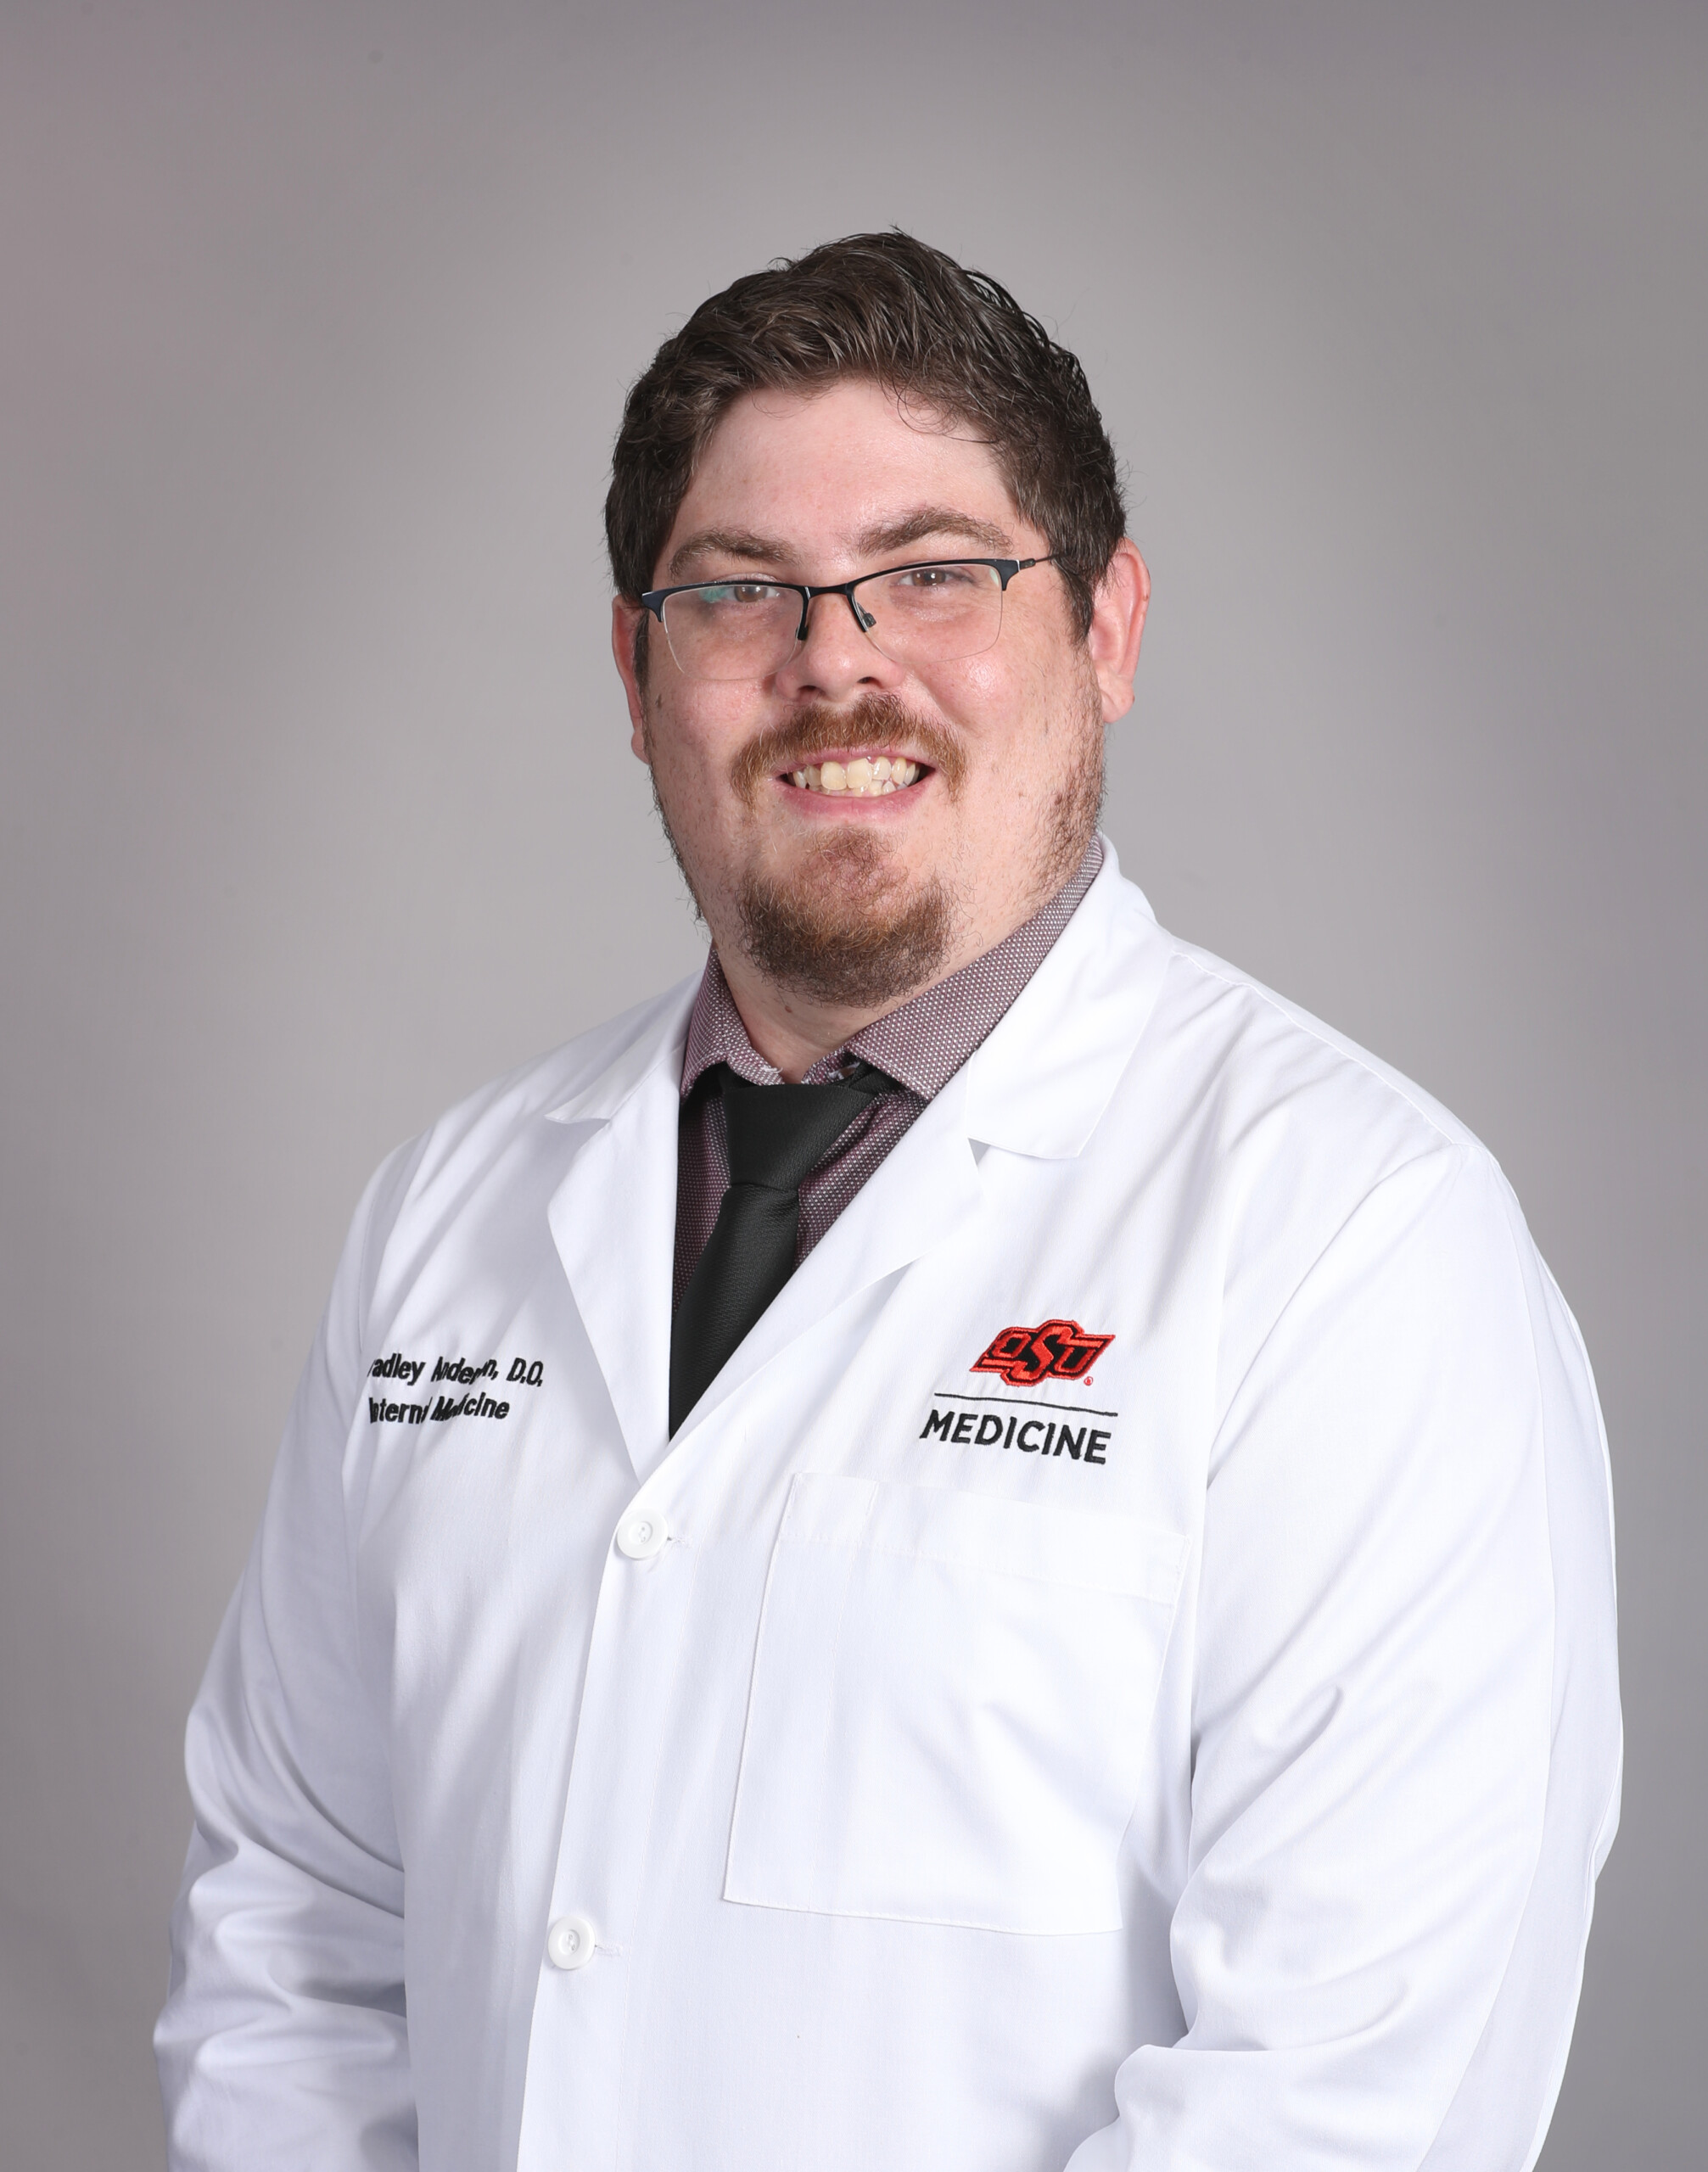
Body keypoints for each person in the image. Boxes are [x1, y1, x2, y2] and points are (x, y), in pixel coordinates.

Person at [154, 232, 1621, 2172]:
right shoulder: (451, 1209)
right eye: (736, 589)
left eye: (932, 571)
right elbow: (297, 1930)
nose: (833, 656)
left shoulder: (1353, 1240)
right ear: (634, 667)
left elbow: (1348, 2090)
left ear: (1104, 626)